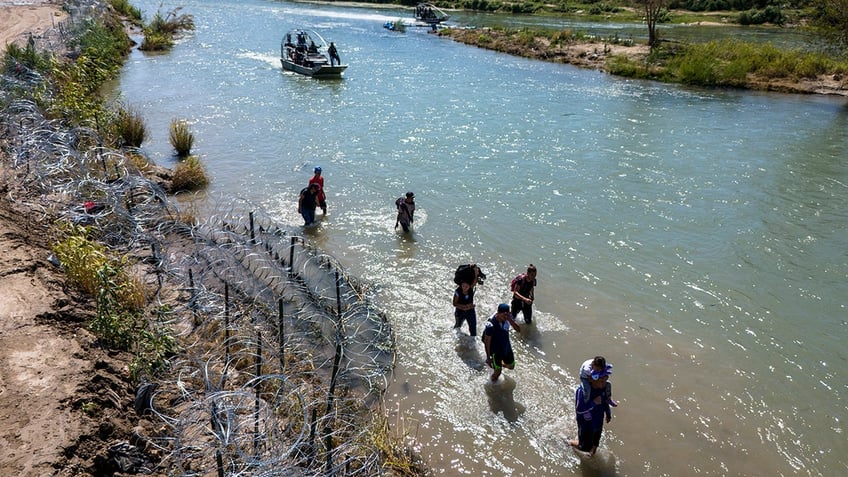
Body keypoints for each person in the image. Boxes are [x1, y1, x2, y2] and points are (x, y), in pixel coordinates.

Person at [568, 369, 614, 456]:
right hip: (586, 424)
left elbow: (605, 401)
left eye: (605, 381)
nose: (604, 384)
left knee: (595, 443)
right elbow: (579, 409)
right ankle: (568, 442)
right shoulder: (583, 391)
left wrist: (608, 414)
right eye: (601, 381)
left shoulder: (603, 388)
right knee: (583, 447)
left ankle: (592, 452)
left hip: (598, 421)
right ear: (593, 380)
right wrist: (593, 402)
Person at [482, 304, 520, 382]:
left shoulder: (508, 319)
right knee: (498, 373)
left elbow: (518, 329)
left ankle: (499, 364)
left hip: (505, 345)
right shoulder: (491, 325)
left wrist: (510, 320)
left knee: (511, 366)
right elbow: (487, 342)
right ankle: (492, 384)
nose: (505, 317)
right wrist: (489, 358)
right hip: (495, 349)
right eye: (504, 315)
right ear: (498, 313)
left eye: (507, 314)